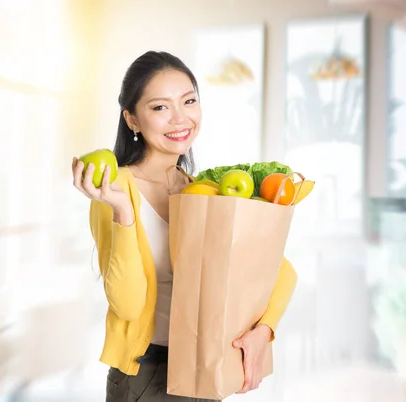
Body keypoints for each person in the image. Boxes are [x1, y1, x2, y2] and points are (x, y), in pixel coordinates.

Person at [71, 51, 297, 402]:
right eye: (160, 107)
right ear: (132, 119)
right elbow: (128, 307)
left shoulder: (200, 189)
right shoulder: (114, 191)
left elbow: (278, 269)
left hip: (205, 367)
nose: (180, 118)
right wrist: (122, 213)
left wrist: (264, 330)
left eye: (189, 101)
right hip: (147, 373)